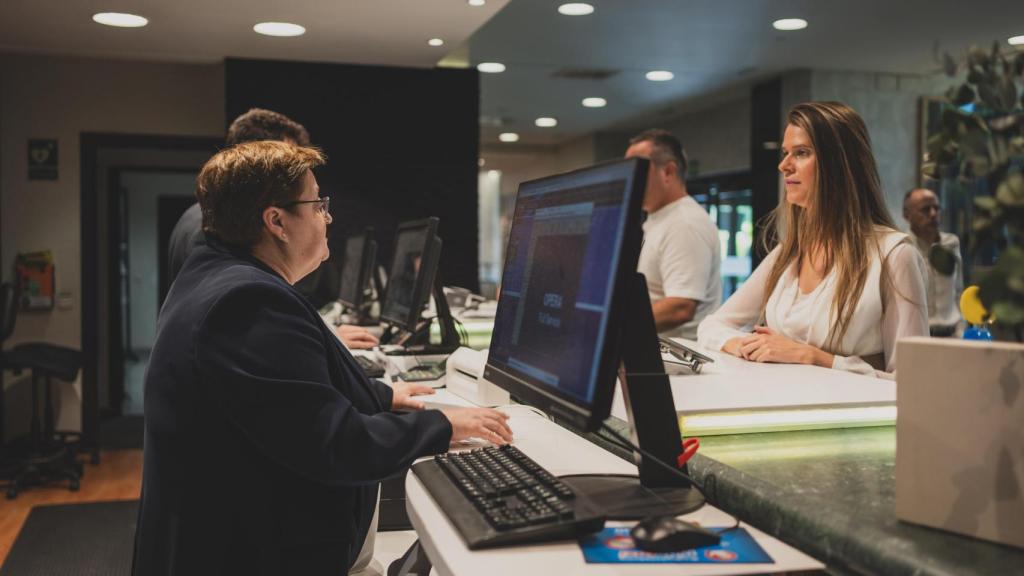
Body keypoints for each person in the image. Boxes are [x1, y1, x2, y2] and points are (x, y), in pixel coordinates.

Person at [133, 141, 513, 575]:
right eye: (318, 205)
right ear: (276, 221)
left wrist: (382, 395)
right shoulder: (246, 302)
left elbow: (284, 394)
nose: (328, 217)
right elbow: (334, 444)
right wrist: (442, 426)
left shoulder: (218, 276)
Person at [697, 101, 929, 378]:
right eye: (785, 153)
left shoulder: (893, 255)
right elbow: (711, 327)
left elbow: (913, 381)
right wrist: (749, 346)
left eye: (802, 153)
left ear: (841, 164)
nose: (784, 165)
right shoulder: (789, 253)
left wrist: (815, 357)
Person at [166, 107, 377, 349]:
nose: (296, 168)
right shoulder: (211, 231)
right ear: (257, 158)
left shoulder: (199, 216)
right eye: (287, 157)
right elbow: (246, 331)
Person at [624, 129, 721, 339]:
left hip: (677, 363)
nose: (629, 179)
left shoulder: (684, 223)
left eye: (636, 170)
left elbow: (681, 306)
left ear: (668, 171)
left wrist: (614, 325)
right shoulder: (657, 218)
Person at [903, 187, 964, 336]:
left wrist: (963, 329)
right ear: (907, 215)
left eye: (937, 208)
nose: (933, 214)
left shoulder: (952, 243)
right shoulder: (902, 246)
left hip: (953, 334)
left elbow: (958, 289)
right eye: (925, 209)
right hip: (919, 337)